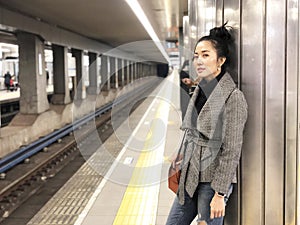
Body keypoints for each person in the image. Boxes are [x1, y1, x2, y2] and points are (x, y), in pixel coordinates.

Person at [166, 23, 248, 225]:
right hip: (190, 175)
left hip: (211, 183)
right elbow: (193, 130)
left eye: (205, 55)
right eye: (196, 55)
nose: (198, 61)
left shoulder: (233, 97)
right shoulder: (200, 89)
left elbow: (232, 148)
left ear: (220, 60)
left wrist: (220, 194)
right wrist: (182, 152)